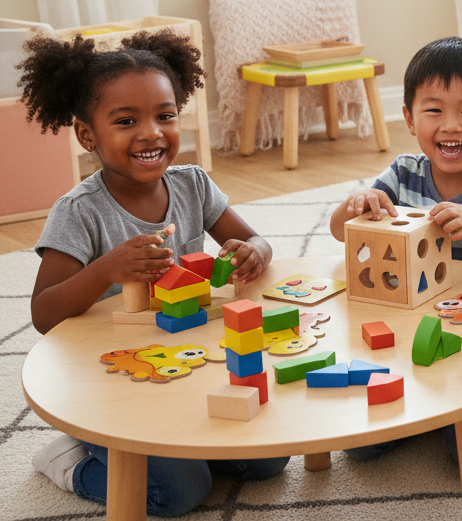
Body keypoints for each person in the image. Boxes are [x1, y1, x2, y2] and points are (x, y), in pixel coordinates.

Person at [19, 30, 287, 516]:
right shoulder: (79, 211)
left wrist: (253, 253)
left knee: (269, 459)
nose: (151, 133)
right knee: (180, 493)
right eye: (126, 121)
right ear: (86, 135)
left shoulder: (193, 184)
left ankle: (184, 444)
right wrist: (106, 269)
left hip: (184, 364)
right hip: (106, 378)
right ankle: (71, 460)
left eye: (165, 116)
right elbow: (43, 313)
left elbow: (255, 240)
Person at [329, 36, 462, 465]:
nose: (451, 125)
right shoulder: (402, 174)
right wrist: (356, 203)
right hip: (412, 330)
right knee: (357, 445)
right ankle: (429, 406)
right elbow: (340, 232)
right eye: (434, 111)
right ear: (409, 119)